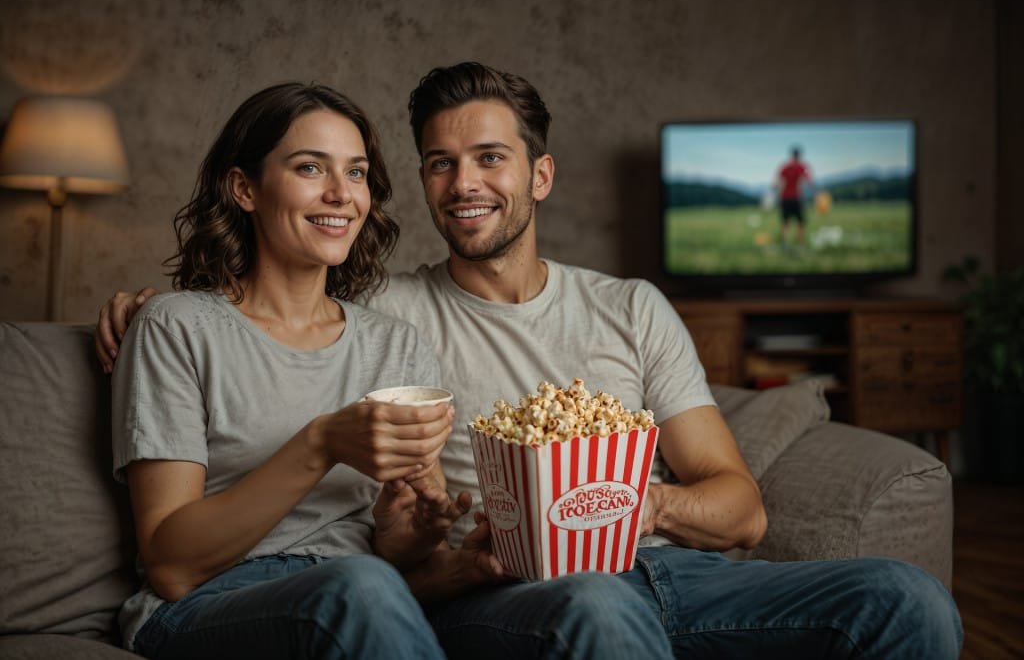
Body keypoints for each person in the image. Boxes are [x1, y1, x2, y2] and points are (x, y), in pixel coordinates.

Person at [97, 63, 962, 658]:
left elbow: (742, 513)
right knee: (593, 602)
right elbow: (270, 307)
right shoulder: (394, 313)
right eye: (440, 163)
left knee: (905, 597)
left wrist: (619, 503)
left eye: (489, 158)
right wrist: (150, 305)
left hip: (669, 569)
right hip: (526, 593)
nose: (464, 182)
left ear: (539, 176)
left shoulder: (624, 307)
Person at [107, 81, 672, 660]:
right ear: (244, 187)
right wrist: (322, 442)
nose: (340, 194)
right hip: (209, 603)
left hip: (372, 597)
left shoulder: (394, 344)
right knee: (363, 585)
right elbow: (172, 565)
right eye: (310, 168)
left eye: (355, 174)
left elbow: (398, 556)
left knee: (589, 597)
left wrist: (415, 534)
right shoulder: (176, 327)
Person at [776, 145, 814, 246]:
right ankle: (800, 243)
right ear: (799, 155)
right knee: (800, 222)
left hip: (784, 198)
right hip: (796, 197)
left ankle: (785, 242)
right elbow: (809, 181)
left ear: (792, 155)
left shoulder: (785, 167)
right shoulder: (801, 166)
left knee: (785, 221)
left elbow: (777, 183)